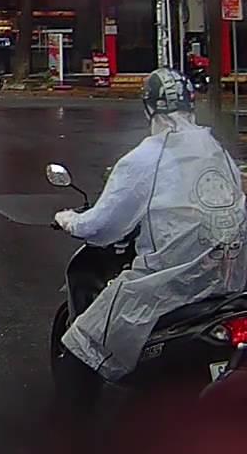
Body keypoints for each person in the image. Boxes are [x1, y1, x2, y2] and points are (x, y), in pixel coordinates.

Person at [53, 67, 247, 400]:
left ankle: (72, 419)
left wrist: (69, 219)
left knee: (84, 341)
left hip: (173, 284)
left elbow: (100, 228)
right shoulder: (216, 150)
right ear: (191, 104)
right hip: (231, 280)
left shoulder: (145, 158)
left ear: (149, 108)